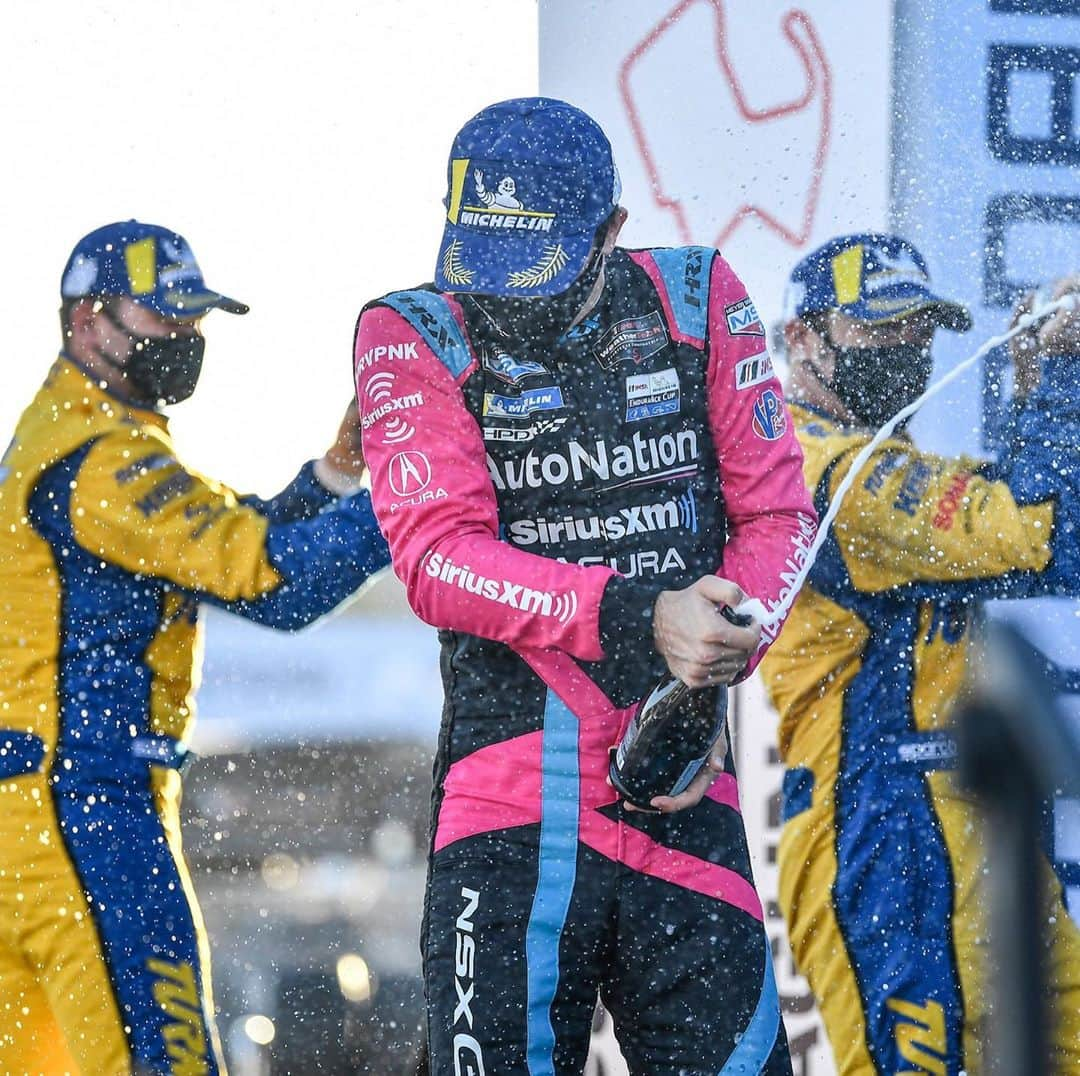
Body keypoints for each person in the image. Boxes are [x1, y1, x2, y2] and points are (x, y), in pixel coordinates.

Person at [353, 97, 817, 1075]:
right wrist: (645, 616)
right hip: (511, 807)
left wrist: (725, 636)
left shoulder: (697, 297)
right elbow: (437, 557)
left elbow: (779, 518)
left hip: (681, 786)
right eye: (485, 265)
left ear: (612, 231)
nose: (507, 302)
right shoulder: (410, 329)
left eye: (534, 271)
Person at [0, 220, 390, 1074]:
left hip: (32, 810)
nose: (185, 340)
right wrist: (416, 486)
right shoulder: (101, 458)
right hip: (89, 811)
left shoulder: (78, 438)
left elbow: (227, 541)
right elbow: (276, 585)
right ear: (86, 321)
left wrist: (338, 472)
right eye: (163, 318)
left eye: (195, 320)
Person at [759, 233, 1080, 1074]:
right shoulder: (814, 468)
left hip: (964, 816)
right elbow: (1040, 532)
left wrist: (1033, 378)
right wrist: (1061, 369)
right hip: (877, 823)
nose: (906, 353)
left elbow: (1016, 526)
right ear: (802, 337)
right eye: (880, 332)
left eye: (919, 333)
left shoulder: (887, 462)